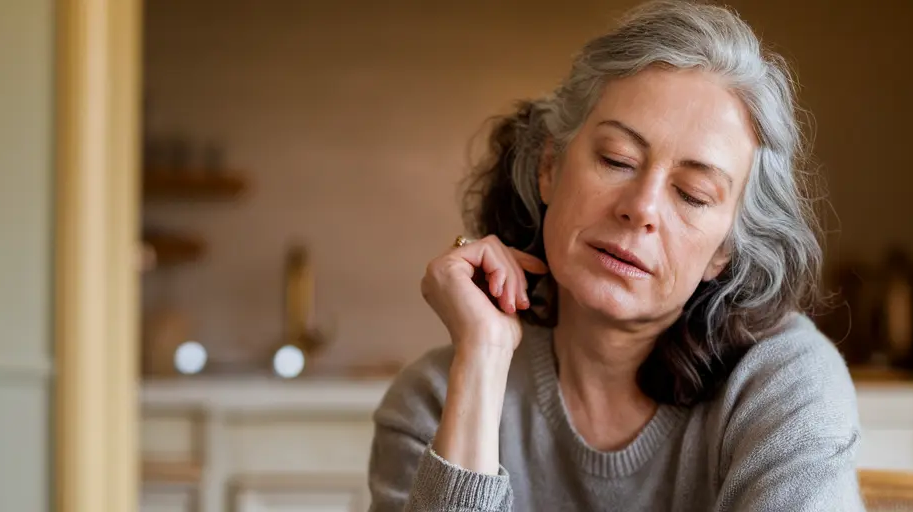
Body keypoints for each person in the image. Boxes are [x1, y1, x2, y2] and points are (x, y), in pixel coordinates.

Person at [368, 1, 862, 510]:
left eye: (692, 193)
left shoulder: (785, 384)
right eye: (617, 160)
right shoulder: (433, 401)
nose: (641, 208)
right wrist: (483, 362)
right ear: (550, 167)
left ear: (725, 251)